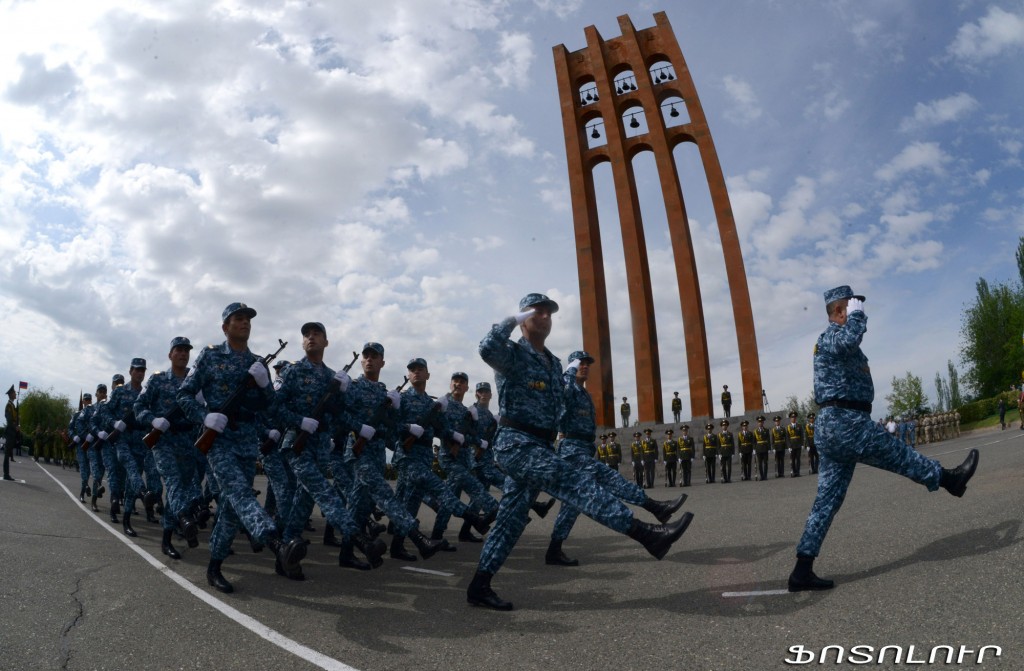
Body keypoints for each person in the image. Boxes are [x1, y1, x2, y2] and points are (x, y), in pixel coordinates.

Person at [468, 293, 693, 611]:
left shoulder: (552, 363)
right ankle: (646, 534)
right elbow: (486, 348)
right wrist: (511, 319)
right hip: (516, 444)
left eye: (548, 312)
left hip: (542, 445)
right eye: (537, 311)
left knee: (511, 521)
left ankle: (479, 586)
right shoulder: (512, 353)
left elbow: (561, 403)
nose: (544, 316)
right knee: (572, 480)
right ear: (523, 316)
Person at [788, 286, 979, 592]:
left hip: (837, 423)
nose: (857, 313)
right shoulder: (832, 336)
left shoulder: (836, 342)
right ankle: (949, 479)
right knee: (899, 455)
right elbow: (850, 338)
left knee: (827, 501)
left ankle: (802, 569)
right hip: (845, 422)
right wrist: (857, 316)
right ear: (839, 312)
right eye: (850, 309)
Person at [177, 302, 307, 593]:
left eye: (248, 319)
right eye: (238, 319)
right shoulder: (210, 356)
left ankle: (214, 566)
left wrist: (263, 387)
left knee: (231, 507)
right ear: (225, 326)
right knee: (240, 493)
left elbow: (271, 408)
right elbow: (184, 394)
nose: (245, 323)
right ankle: (277, 543)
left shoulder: (258, 363)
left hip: (247, 443)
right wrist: (204, 416)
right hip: (219, 440)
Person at [546, 350, 687, 566]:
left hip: (582, 449)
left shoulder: (583, 394)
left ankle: (554, 550)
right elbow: (563, 390)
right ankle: (655, 508)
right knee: (608, 477)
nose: (584, 366)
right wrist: (569, 371)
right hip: (571, 451)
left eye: (586, 364)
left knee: (572, 504)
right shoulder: (568, 388)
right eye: (579, 363)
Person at [273, 324, 391, 576]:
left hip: (320, 450)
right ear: (302, 343)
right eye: (306, 335)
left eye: (316, 334)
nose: (311, 338)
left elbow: (341, 415)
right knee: (326, 494)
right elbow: (274, 407)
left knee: (303, 504)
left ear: (326, 342)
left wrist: (357, 418)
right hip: (297, 445)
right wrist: (298, 421)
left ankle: (285, 556)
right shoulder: (293, 372)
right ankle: (362, 541)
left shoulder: (331, 378)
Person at [135, 337, 205, 560]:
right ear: (170, 354)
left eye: (186, 351)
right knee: (173, 482)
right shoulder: (157, 380)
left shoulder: (194, 382)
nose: (183, 354)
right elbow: (139, 406)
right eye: (179, 350)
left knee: (181, 488)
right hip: (163, 440)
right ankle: (183, 522)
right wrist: (153, 420)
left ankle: (169, 534)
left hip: (186, 440)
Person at [4, 385, 18, 481]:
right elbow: (9, 420)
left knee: (8, 453)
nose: (15, 393)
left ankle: (7, 473)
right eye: (14, 393)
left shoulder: (12, 405)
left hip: (12, 431)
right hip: (10, 431)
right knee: (7, 453)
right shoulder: (9, 406)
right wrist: (15, 427)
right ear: (11, 394)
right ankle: (6, 474)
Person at [786, 411, 804, 477]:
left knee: (798, 459)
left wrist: (802, 444)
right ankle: (794, 472)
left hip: (798, 444)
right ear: (790, 419)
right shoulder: (788, 427)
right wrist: (789, 446)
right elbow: (787, 437)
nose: (793, 419)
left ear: (796, 418)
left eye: (794, 417)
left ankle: (798, 472)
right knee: (793, 459)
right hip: (792, 445)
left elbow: (802, 435)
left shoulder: (799, 426)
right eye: (792, 417)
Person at [717, 419, 734, 483]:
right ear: (721, 427)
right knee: (723, 467)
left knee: (729, 467)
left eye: (725, 425)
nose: (724, 426)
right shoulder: (719, 435)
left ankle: (729, 478)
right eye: (723, 425)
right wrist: (719, 453)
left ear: (727, 426)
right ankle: (725, 478)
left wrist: (733, 453)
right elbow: (718, 445)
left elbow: (732, 444)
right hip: (722, 452)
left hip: (729, 452)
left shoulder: (730, 434)